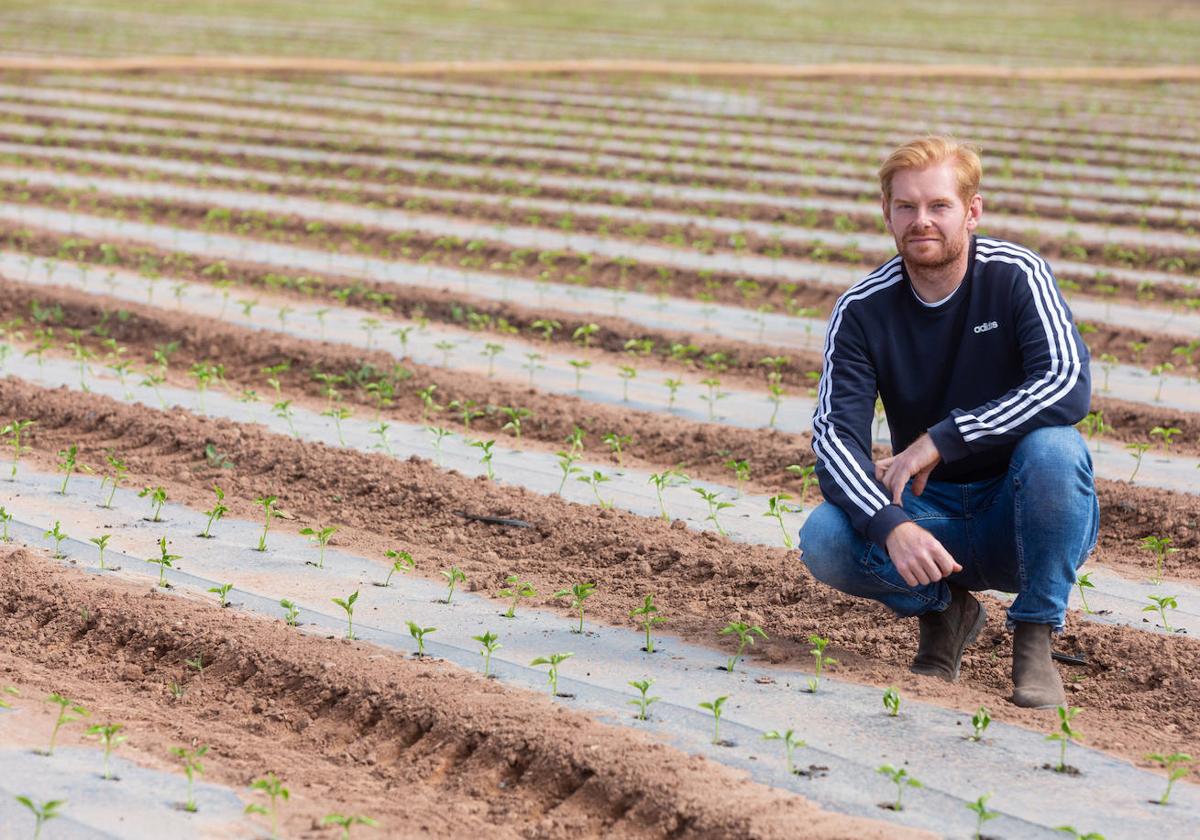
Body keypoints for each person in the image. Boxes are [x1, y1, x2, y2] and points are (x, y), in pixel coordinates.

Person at [797, 136, 1099, 709]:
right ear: (886, 213)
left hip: (1021, 514)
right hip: (932, 516)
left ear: (972, 211)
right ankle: (946, 611)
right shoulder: (861, 310)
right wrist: (893, 525)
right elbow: (836, 438)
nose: (922, 221)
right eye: (906, 207)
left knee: (1057, 450)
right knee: (826, 539)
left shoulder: (1016, 277)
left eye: (939, 205)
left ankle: (1034, 636)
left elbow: (1065, 382)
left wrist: (942, 438)